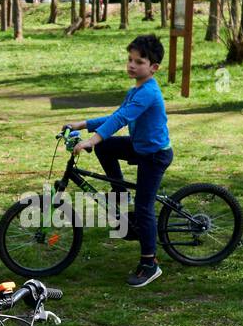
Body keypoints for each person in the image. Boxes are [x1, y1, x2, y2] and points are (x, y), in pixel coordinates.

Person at [65, 34, 172, 287]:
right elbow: (117, 114)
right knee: (107, 148)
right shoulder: (135, 89)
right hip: (140, 147)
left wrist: (92, 139)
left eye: (139, 61)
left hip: (154, 155)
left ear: (153, 68)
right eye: (130, 59)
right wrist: (84, 124)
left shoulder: (148, 93)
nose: (132, 65)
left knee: (145, 208)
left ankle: (150, 264)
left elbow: (121, 120)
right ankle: (120, 196)